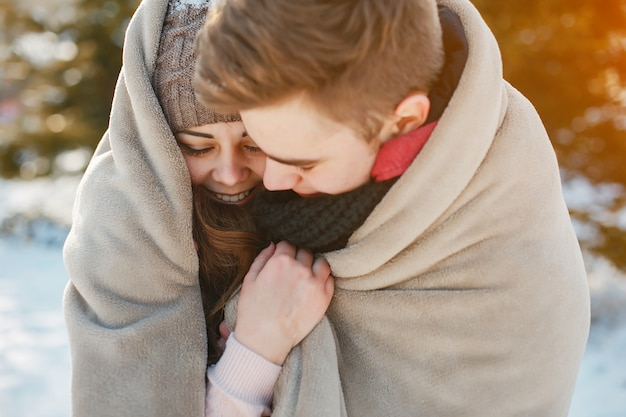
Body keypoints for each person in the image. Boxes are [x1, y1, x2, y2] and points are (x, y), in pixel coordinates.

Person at [194, 0, 591, 416]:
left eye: (304, 163)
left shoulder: (496, 292)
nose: (271, 182)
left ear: (402, 121)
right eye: (260, 144)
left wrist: (253, 354)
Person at [63, 0, 333, 416]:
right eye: (197, 146)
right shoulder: (122, 234)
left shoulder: (337, 207)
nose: (229, 173)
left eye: (254, 144)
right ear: (159, 140)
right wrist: (256, 350)